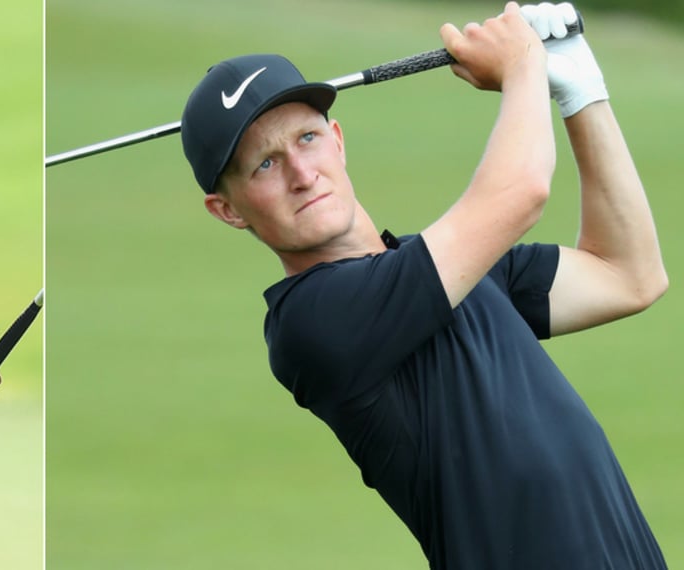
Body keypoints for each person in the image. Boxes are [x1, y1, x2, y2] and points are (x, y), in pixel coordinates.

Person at [179, 2, 666, 568]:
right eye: (265, 163)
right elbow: (520, 193)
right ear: (227, 211)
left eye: (307, 139)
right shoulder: (311, 322)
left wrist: (580, 90)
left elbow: (629, 274)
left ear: (337, 140)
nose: (301, 173)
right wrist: (523, 65)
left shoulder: (447, 267)